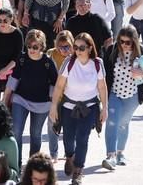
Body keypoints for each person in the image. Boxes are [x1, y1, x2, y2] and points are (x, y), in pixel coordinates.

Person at [48, 33, 108, 185]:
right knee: (68, 137)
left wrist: (104, 108)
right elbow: (59, 86)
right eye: (75, 47)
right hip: (69, 106)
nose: (78, 50)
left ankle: (79, 170)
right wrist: (54, 106)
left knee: (82, 137)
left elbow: (102, 86)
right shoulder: (69, 62)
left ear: (89, 48)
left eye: (82, 47)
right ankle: (69, 156)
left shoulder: (97, 63)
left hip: (89, 107)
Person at [100, 26, 143, 171]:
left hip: (133, 96)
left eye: (128, 42)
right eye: (121, 41)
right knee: (112, 122)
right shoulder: (112, 50)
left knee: (123, 123)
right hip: (114, 93)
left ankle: (120, 153)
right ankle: (110, 156)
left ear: (134, 41)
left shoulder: (142, 51)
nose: (124, 45)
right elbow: (103, 72)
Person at [4, 30, 58, 166]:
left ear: (42, 47)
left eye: (35, 47)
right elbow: (13, 80)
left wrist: (53, 104)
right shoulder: (22, 59)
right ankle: (16, 165)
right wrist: (5, 100)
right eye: (29, 46)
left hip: (42, 103)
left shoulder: (48, 63)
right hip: (20, 99)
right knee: (16, 131)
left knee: (35, 134)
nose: (31, 50)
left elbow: (55, 83)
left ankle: (32, 165)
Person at [45, 31, 73, 162]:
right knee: (52, 126)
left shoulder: (76, 56)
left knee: (70, 127)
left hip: (71, 96)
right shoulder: (50, 54)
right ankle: (53, 154)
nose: (63, 50)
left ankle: (70, 153)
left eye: (67, 46)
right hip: (54, 96)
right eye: (60, 47)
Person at [0, 8, 23, 100]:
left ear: (11, 19)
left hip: (12, 68)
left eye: (5, 20)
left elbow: (18, 56)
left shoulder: (17, 34)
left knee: (9, 100)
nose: (2, 23)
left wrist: (5, 69)